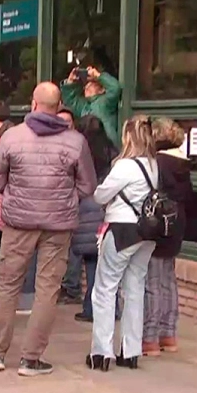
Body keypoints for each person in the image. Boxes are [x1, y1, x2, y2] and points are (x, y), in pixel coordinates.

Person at [0, 82, 97, 376]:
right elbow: (88, 185)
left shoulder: (12, 137)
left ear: (32, 104)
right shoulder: (75, 142)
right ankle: (31, 358)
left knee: (7, 286)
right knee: (47, 289)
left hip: (18, 223)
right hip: (58, 226)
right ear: (58, 108)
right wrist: (65, 198)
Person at [87, 116, 158, 371]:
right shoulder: (153, 165)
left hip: (122, 229)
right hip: (147, 233)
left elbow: (100, 195)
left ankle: (102, 352)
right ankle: (131, 351)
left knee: (105, 289)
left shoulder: (124, 166)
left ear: (128, 137)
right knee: (135, 289)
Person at [143, 118, 192, 356]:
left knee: (152, 281)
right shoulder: (182, 164)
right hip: (176, 224)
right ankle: (168, 334)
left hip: (158, 224)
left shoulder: (158, 164)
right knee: (168, 280)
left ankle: (150, 338)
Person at [69, 116, 118, 323]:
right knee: (108, 265)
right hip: (107, 211)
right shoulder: (112, 152)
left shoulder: (79, 151)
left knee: (90, 263)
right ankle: (111, 308)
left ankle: (91, 307)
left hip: (86, 208)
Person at [62, 66, 122, 147]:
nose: (87, 86)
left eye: (92, 83)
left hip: (106, 147)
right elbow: (70, 100)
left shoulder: (106, 101)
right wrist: (70, 82)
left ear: (102, 89)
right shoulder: (83, 105)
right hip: (87, 147)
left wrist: (98, 76)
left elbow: (115, 89)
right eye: (86, 83)